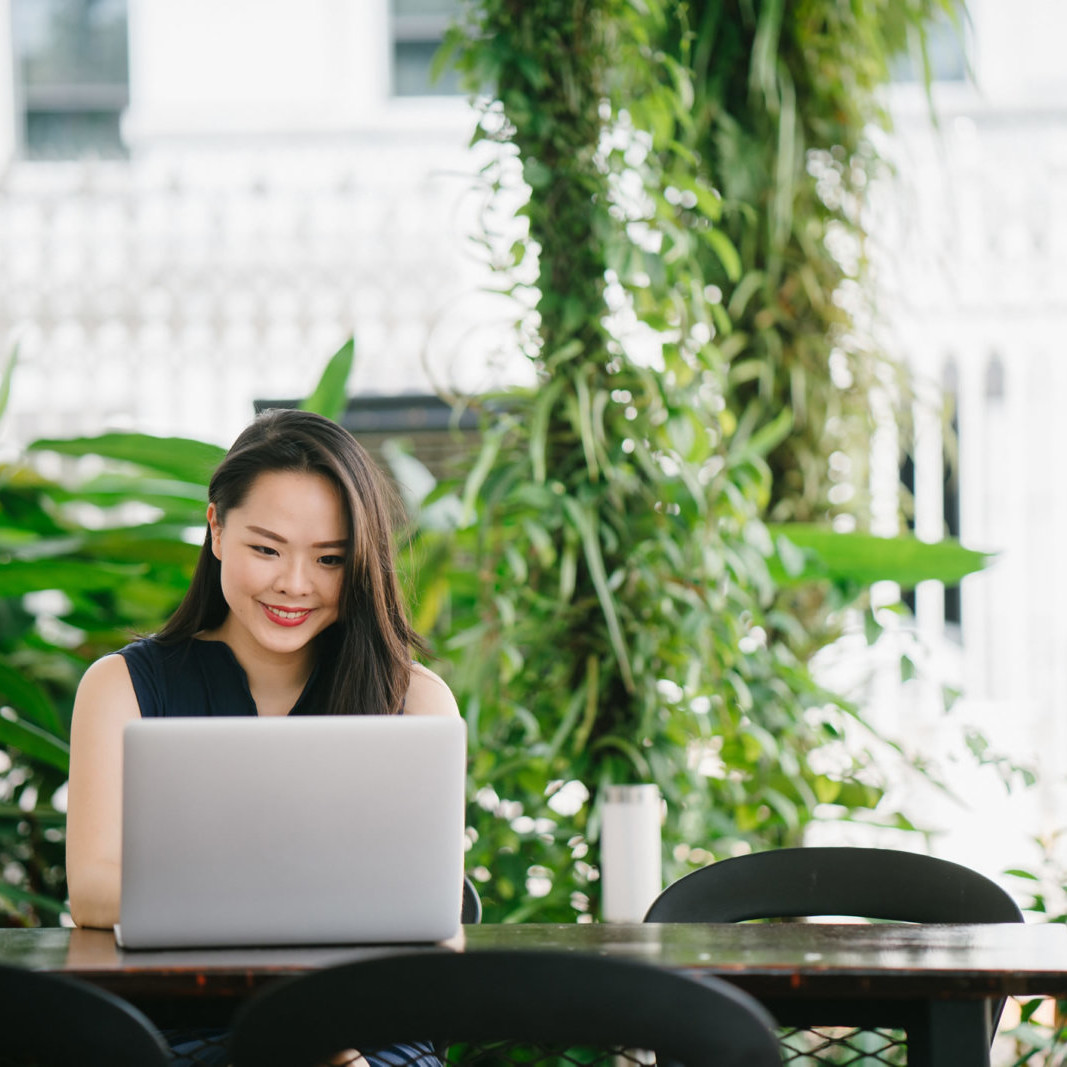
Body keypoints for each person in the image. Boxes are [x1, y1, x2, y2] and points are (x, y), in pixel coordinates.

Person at [66, 408, 458, 1067]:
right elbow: (94, 890)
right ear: (216, 528)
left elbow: (429, 905)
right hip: (187, 1029)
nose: (294, 584)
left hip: (369, 1028)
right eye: (266, 548)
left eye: (329, 559)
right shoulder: (120, 687)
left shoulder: (414, 699)